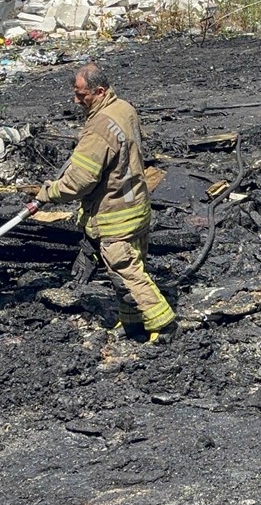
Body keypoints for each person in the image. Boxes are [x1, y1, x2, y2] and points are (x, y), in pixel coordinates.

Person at [34, 62, 177, 343]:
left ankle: (165, 325)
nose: (75, 100)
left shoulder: (99, 128)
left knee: (126, 271)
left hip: (115, 213)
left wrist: (48, 193)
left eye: (81, 94)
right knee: (128, 269)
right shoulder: (124, 108)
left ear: (99, 91)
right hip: (136, 204)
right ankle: (134, 322)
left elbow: (79, 182)